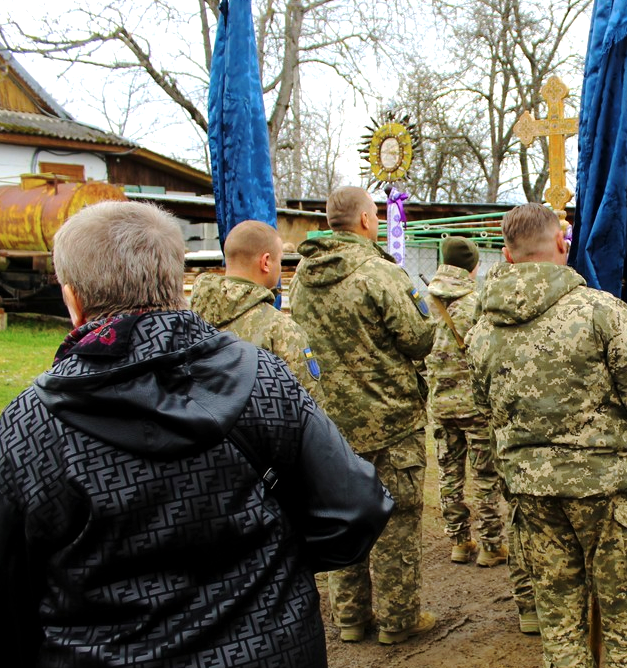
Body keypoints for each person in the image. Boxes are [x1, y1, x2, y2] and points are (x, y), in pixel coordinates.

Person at [0, 202, 393, 668]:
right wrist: (270, 568)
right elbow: (355, 509)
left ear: (72, 299)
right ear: (172, 281)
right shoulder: (263, 379)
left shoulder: (31, 428)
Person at [466, 203, 627, 668]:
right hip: (604, 490)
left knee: (559, 623)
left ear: (507, 254)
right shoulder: (601, 312)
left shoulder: (481, 330)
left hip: (531, 493)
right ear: (562, 243)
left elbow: (485, 409)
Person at [290, 186, 437, 645]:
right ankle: (398, 619)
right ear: (368, 221)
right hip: (390, 419)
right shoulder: (380, 274)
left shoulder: (300, 278)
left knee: (342, 513)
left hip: (329, 424)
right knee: (397, 517)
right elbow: (419, 338)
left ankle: (351, 617)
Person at [424, 237, 508, 566]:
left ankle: (459, 542)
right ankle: (491, 545)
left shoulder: (422, 301)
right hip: (476, 406)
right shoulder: (477, 302)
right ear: (473, 266)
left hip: (441, 405)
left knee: (449, 475)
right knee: (486, 476)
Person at [190, 220, 324, 402]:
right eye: (280, 260)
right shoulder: (281, 331)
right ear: (266, 262)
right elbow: (309, 409)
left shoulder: (187, 317)